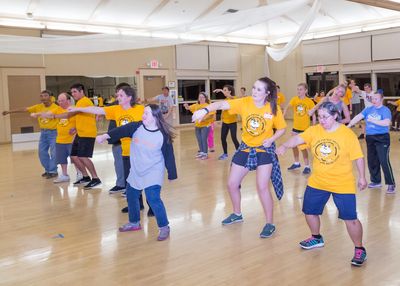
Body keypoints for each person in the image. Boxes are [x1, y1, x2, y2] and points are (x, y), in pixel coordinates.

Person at [192, 77, 286, 238]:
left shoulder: (273, 108)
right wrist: (205, 110)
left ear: (267, 93)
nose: (254, 91)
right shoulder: (244, 102)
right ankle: (237, 213)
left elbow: (282, 128)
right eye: (254, 88)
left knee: (262, 187)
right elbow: (221, 104)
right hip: (245, 148)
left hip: (264, 150)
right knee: (231, 184)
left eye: (259, 89)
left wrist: (271, 139)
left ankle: (270, 223)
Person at [276, 102, 368, 266]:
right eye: (319, 117)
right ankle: (316, 237)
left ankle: (359, 249)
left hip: (342, 182)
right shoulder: (314, 130)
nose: (321, 120)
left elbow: (358, 157)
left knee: (351, 219)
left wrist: (362, 177)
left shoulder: (347, 134)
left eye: (325, 117)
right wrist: (284, 145)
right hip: (318, 181)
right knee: (309, 211)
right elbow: (298, 138)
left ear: (334, 116)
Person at [96, 104, 177, 241]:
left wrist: (171, 174)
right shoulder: (136, 127)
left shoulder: (162, 135)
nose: (143, 116)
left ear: (155, 117)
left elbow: (169, 155)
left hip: (153, 170)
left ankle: (164, 227)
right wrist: (105, 136)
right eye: (143, 113)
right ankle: (134, 222)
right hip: (137, 169)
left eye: (146, 114)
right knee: (132, 195)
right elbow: (120, 130)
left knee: (153, 198)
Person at [67, 86, 153, 213]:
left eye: (121, 95)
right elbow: (96, 110)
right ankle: (135, 204)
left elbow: (152, 123)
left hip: (142, 152)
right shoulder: (115, 110)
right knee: (130, 181)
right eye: (117, 95)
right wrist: (78, 108)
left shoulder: (141, 109)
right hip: (126, 152)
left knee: (146, 180)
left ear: (129, 97)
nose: (118, 98)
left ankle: (152, 206)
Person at [44, 84, 101, 189]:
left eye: (75, 91)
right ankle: (85, 176)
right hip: (80, 133)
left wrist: (54, 116)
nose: (73, 94)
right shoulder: (80, 102)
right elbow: (81, 117)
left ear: (81, 91)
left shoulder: (84, 101)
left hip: (87, 134)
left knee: (83, 156)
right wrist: (75, 128)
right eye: (72, 92)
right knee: (74, 156)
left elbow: (70, 115)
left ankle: (96, 178)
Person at [2, 90, 58, 178]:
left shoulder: (56, 107)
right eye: (41, 96)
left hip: (54, 133)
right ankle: (48, 170)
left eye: (45, 96)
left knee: (54, 152)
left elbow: (48, 114)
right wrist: (9, 111)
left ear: (51, 97)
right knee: (41, 152)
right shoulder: (38, 106)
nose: (43, 98)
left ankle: (53, 170)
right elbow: (25, 109)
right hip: (43, 133)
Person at [348, 92, 395, 194]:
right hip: (370, 137)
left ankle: (391, 183)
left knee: (383, 160)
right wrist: (349, 125)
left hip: (382, 138)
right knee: (372, 160)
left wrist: (372, 120)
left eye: (376, 99)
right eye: (373, 99)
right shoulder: (368, 109)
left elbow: (387, 123)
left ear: (381, 99)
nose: (374, 101)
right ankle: (376, 181)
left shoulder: (385, 110)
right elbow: (358, 116)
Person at [32, 92, 76, 183]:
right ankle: (58, 173)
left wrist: (76, 129)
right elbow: (48, 114)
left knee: (74, 158)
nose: (60, 102)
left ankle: (80, 174)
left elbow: (74, 119)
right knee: (60, 157)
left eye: (62, 100)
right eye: (59, 101)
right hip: (59, 138)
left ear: (68, 100)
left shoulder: (73, 109)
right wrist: (39, 114)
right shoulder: (58, 109)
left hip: (69, 138)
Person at [283, 83, 316, 174]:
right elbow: (287, 107)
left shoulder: (309, 101)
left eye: (301, 89)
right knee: (294, 146)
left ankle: (307, 166)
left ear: (305, 91)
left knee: (303, 148)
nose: (299, 91)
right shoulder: (294, 99)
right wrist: (283, 114)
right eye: (298, 89)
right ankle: (297, 163)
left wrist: (313, 127)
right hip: (295, 128)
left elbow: (313, 115)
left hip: (305, 129)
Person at [183, 92, 216, 160]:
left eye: (202, 97)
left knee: (204, 139)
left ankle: (205, 153)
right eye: (199, 97)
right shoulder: (196, 105)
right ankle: (201, 152)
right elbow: (188, 108)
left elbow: (211, 115)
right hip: (197, 126)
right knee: (199, 139)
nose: (200, 98)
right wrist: (186, 106)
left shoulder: (208, 105)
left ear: (205, 98)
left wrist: (204, 118)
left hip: (206, 125)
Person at [213, 85, 240, 160]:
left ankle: (239, 153)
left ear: (230, 91)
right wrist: (221, 121)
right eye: (223, 90)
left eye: (225, 90)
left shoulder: (234, 98)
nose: (224, 92)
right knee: (222, 138)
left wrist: (221, 90)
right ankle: (225, 154)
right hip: (225, 122)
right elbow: (223, 112)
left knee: (234, 138)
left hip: (232, 122)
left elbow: (231, 98)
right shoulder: (225, 100)